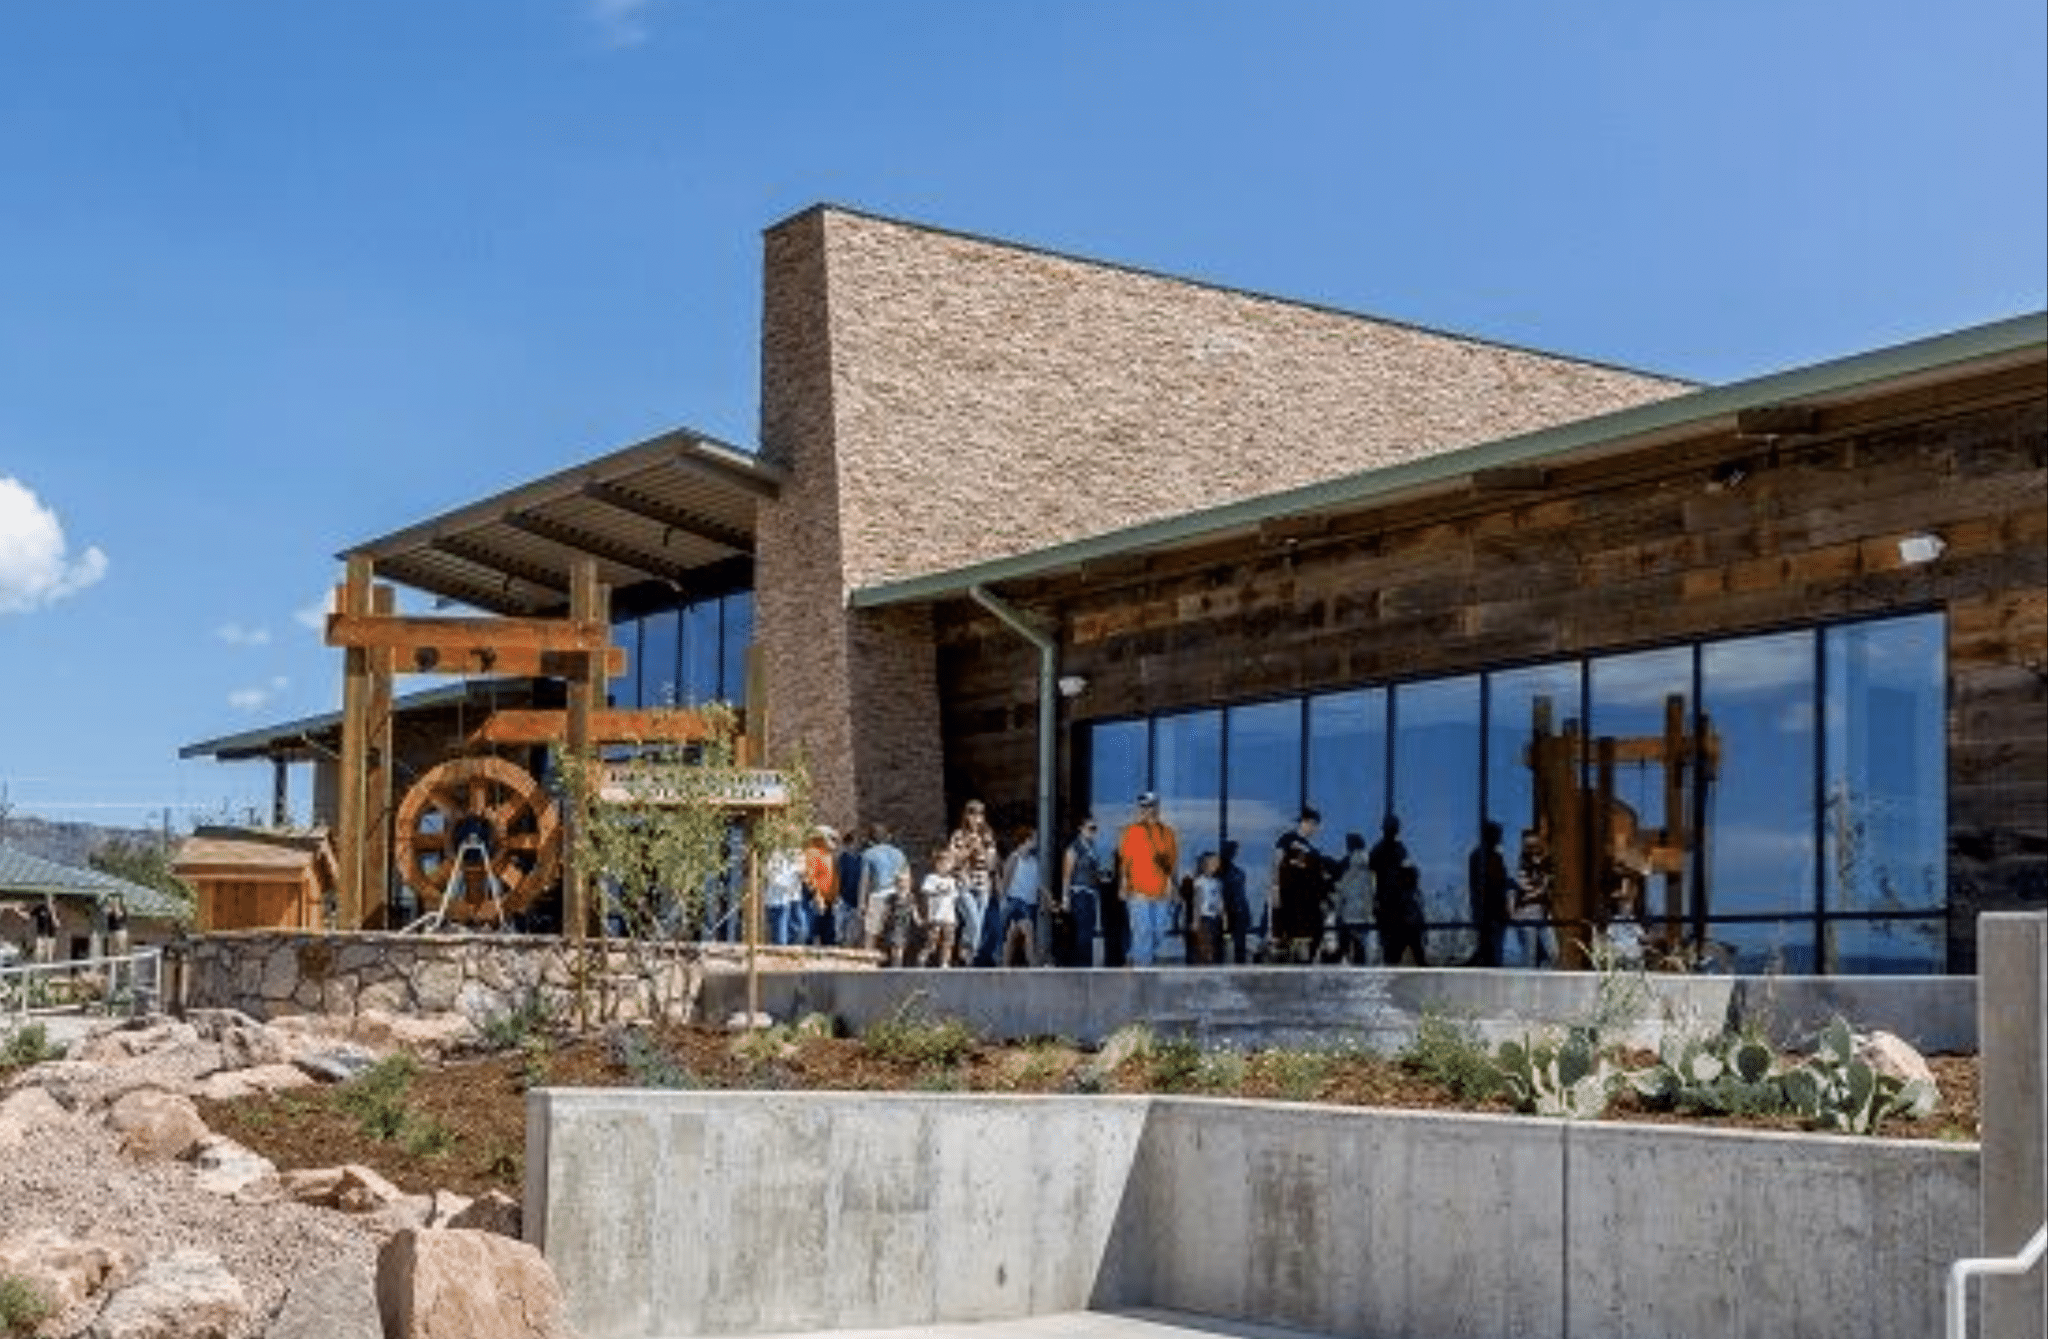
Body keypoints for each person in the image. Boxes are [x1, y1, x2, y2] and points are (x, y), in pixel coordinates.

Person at [1117, 791, 1179, 966]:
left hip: (1161, 891)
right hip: (1138, 890)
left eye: (1151, 806)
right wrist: (1122, 884)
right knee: (1142, 931)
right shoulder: (1131, 831)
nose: (1147, 810)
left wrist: (1174, 886)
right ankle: (1142, 971)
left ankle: (1135, 956)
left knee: (1159, 931)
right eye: (1144, 807)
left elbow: (1172, 864)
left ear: (1157, 808)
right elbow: (1125, 861)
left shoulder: (1168, 833)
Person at [1270, 807, 1335, 964]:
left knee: (1311, 935)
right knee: (1290, 937)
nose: (1315, 829)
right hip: (1290, 898)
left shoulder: (1313, 851)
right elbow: (1276, 863)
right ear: (1305, 823)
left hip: (1307, 902)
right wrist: (1275, 888)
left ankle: (1305, 962)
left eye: (1316, 825)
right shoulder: (1287, 840)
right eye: (1313, 824)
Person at [1369, 814, 1427, 966]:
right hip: (1394, 909)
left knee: (1392, 955)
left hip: (1392, 909)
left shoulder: (1380, 850)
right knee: (1399, 954)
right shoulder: (1395, 850)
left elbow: (1373, 876)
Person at [948, 800, 1000, 967]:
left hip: (983, 885)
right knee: (974, 921)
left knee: (975, 924)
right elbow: (952, 861)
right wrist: (970, 847)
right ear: (966, 815)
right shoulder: (958, 835)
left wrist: (982, 848)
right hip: (964, 885)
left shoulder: (988, 836)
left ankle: (966, 958)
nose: (976, 817)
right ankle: (969, 956)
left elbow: (992, 864)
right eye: (972, 813)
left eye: (980, 814)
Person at [860, 822, 914, 966]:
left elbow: (865, 881)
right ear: (888, 837)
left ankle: (868, 966)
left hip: (878, 895)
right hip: (898, 895)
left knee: (871, 933)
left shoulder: (868, 854)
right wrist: (908, 897)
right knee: (898, 933)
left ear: (870, 840)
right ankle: (897, 966)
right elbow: (908, 876)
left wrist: (861, 904)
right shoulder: (899, 853)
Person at [1466, 819, 1518, 968]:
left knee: (1490, 951)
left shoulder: (1480, 855)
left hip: (1490, 912)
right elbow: (1493, 883)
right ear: (1491, 835)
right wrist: (1511, 884)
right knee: (1492, 954)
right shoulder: (1486, 857)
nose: (1501, 838)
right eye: (1498, 835)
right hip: (1491, 913)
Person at [1060, 815, 1109, 967]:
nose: (1093, 832)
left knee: (1089, 929)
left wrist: (1101, 877)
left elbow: (1093, 872)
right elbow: (1067, 874)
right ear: (1080, 829)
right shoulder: (1074, 848)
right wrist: (1065, 898)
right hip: (1079, 893)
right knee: (1083, 930)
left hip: (1092, 893)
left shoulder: (1091, 847)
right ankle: (1082, 965)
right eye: (1090, 828)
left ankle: (1086, 964)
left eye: (1095, 829)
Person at [997, 826, 1041, 966]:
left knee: (1012, 936)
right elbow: (1005, 881)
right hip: (1016, 901)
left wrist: (1049, 899)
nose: (1037, 841)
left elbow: (1038, 884)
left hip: (1029, 902)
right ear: (1027, 840)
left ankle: (1004, 966)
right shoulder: (1014, 858)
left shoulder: (1034, 861)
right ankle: (1034, 965)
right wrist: (1002, 902)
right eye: (1034, 838)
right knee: (1029, 931)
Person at [1330, 832, 1373, 965]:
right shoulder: (1371, 865)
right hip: (1365, 917)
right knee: (1361, 953)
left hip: (1347, 916)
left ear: (1351, 846)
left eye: (1348, 844)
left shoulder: (1348, 867)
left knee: (1343, 952)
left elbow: (1342, 892)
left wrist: (1337, 913)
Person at [918, 847, 961, 967]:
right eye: (942, 863)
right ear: (936, 864)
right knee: (932, 940)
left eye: (948, 864)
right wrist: (938, 890)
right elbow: (925, 893)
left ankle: (945, 962)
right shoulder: (931, 878)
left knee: (948, 941)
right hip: (936, 916)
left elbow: (954, 898)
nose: (945, 866)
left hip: (949, 917)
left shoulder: (952, 881)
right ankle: (923, 957)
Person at [1216, 840, 1252, 964]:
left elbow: (1241, 895)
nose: (1234, 854)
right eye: (1232, 851)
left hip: (1237, 912)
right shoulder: (1222, 873)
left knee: (1239, 946)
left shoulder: (1237, 872)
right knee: (1225, 946)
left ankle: (1239, 969)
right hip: (1227, 912)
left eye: (1234, 851)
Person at [802, 826, 839, 947]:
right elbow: (810, 877)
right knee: (811, 935)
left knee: (828, 938)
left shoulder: (827, 854)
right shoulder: (813, 853)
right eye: (832, 839)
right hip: (816, 901)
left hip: (829, 902)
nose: (836, 843)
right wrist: (817, 896)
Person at [763, 847, 805, 946]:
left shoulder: (796, 852)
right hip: (778, 901)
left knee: (801, 929)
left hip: (794, 898)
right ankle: (779, 957)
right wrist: (789, 886)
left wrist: (801, 874)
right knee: (781, 939)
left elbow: (799, 870)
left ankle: (790, 955)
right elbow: (772, 876)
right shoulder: (774, 853)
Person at [833, 825, 866, 950]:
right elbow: (838, 878)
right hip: (843, 899)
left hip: (856, 901)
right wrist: (837, 896)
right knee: (840, 932)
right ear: (849, 843)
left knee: (852, 934)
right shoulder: (843, 858)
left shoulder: (861, 859)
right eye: (857, 841)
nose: (858, 844)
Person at [1187, 851, 1223, 965]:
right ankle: (1204, 964)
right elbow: (1197, 901)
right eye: (1212, 863)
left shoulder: (1217, 882)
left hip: (1215, 916)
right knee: (1205, 945)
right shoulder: (1200, 882)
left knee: (1215, 943)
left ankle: (1212, 962)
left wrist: (1222, 914)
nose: (1215, 866)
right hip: (1204, 917)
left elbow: (1219, 899)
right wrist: (1195, 919)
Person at [31, 895, 60, 964]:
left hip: (51, 935)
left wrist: (53, 913)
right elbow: (29, 915)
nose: (50, 903)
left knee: (50, 956)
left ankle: (49, 966)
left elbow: (57, 924)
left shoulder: (55, 912)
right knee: (39, 953)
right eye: (49, 901)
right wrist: (18, 911)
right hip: (41, 934)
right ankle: (38, 965)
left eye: (52, 902)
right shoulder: (40, 908)